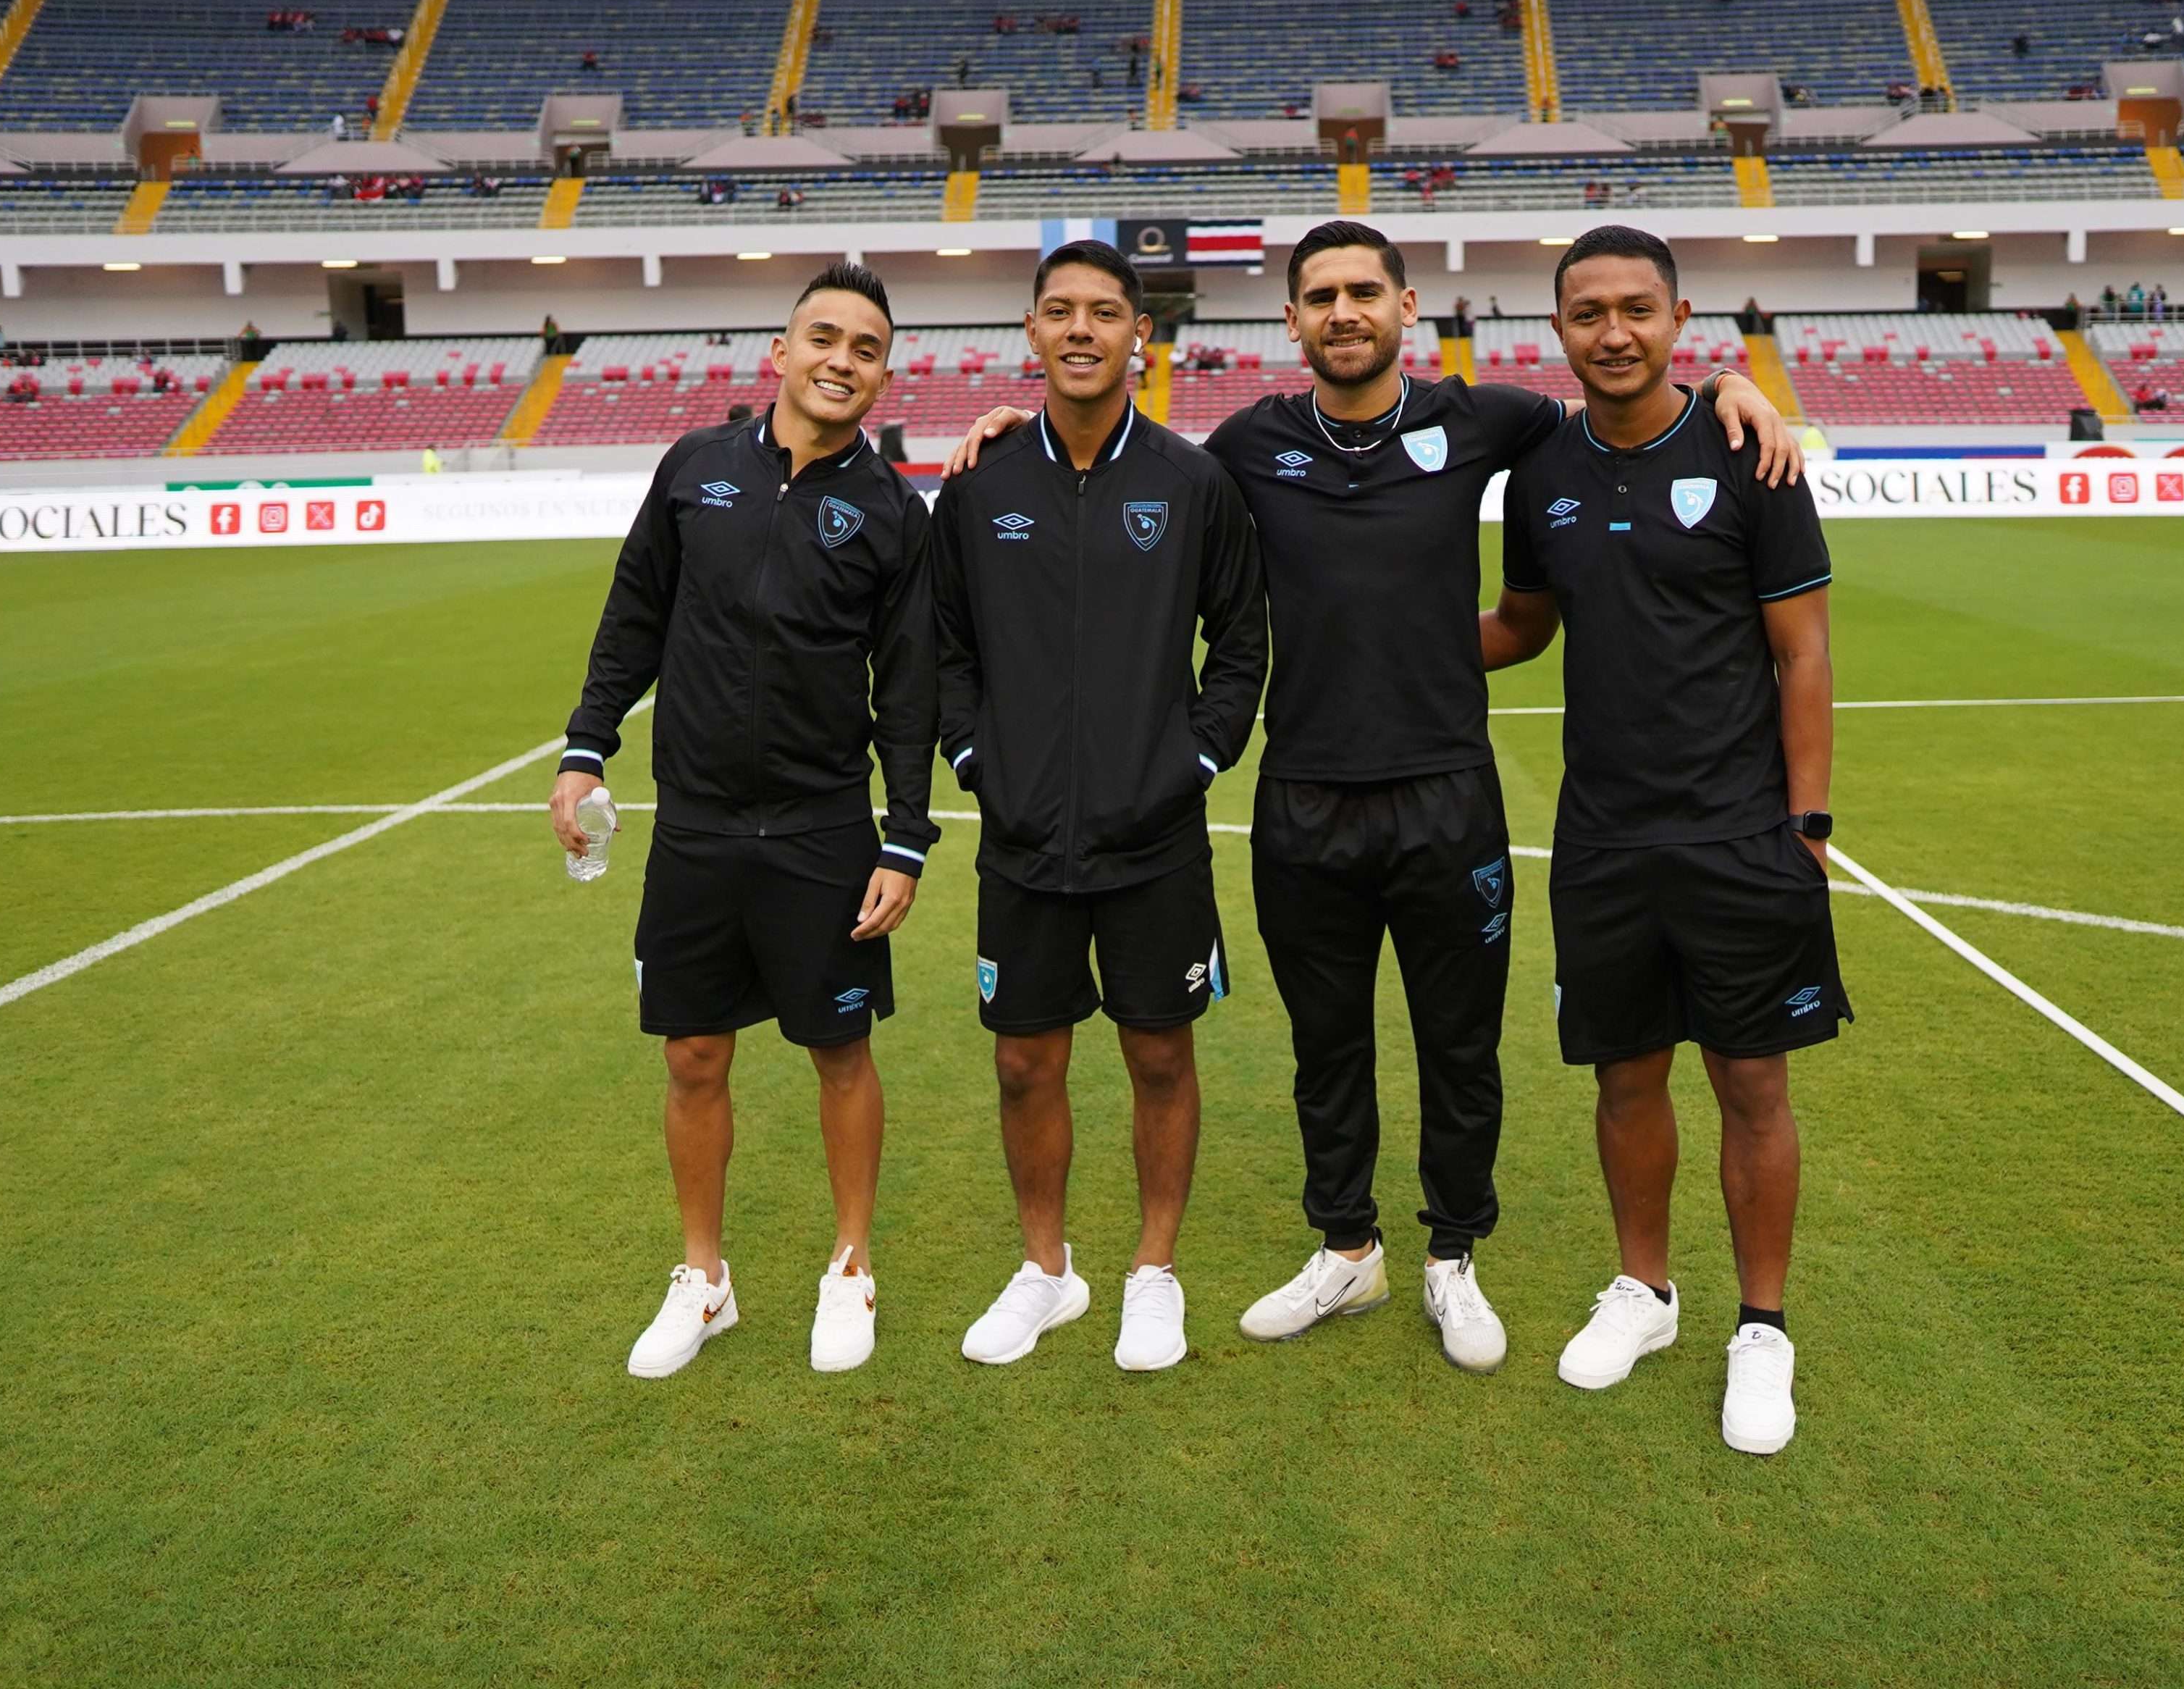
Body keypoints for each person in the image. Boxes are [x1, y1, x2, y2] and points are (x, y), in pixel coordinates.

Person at [941, 221, 1799, 1375]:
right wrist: (1008, 427)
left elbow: (1626, 403)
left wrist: (1736, 387)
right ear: (1290, 322)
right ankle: (1347, 1247)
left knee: (1460, 1045)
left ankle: (1454, 1256)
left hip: (1449, 793)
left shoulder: (1490, 420)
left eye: (1364, 292)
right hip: (1304, 796)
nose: (1344, 312)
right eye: (1320, 297)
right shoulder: (1245, 446)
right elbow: (1124, 463)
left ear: (1407, 307)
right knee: (1326, 1044)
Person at [1485, 226, 1844, 1454]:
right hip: (1603, 837)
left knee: (1752, 1081)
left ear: (1680, 319)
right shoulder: (1541, 469)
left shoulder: (1749, 451)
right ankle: (1645, 1291)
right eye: (1589, 313)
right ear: (1561, 330)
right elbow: (1522, 627)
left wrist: (1808, 823)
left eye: (1638, 308)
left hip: (1743, 833)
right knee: (1625, 1074)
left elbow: (1804, 651)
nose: (1615, 332)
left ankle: (1763, 1328)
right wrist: (1371, 627)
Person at [550, 262, 938, 1381]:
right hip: (699, 826)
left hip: (823, 829)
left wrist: (904, 840)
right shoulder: (695, 471)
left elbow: (909, 690)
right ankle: (704, 1279)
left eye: (866, 348)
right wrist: (587, 746)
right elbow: (634, 610)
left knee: (840, 1050)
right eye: (824, 337)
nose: (841, 361)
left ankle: (852, 1266)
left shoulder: (891, 514)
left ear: (882, 375)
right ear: (780, 351)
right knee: (693, 1053)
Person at [933, 241, 1268, 1373]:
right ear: (1030, 333)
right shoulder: (980, 485)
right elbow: (946, 648)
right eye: (1060, 311)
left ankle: (1154, 1275)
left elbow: (1243, 643)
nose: (1083, 330)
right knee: (1026, 1063)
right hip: (1023, 836)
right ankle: (1047, 1271)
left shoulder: (1191, 480)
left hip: (1155, 837)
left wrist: (1197, 762)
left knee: (1159, 1057)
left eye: (1106, 313)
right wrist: (979, 759)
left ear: (1141, 336)